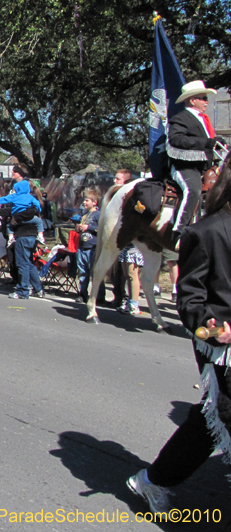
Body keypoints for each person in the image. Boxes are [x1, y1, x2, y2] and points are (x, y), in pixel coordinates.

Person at [126, 166, 231, 514]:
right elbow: (190, 301)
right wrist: (213, 326)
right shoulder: (208, 232)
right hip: (220, 347)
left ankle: (154, 479)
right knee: (219, 414)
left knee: (209, 420)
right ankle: (154, 480)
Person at [167, 80, 221, 246]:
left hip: (204, 166)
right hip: (185, 167)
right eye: (203, 97)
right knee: (193, 190)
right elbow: (176, 139)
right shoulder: (180, 118)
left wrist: (217, 142)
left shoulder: (203, 119)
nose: (206, 101)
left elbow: (207, 141)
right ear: (192, 100)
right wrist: (205, 142)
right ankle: (179, 231)